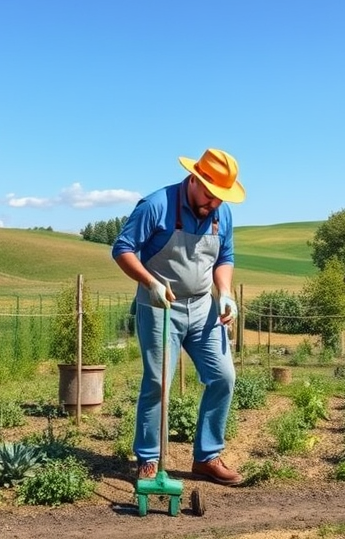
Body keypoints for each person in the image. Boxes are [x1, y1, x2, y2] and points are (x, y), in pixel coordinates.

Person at [111, 148, 245, 487]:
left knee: (223, 377)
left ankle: (207, 457)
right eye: (211, 195)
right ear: (195, 179)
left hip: (203, 308)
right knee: (158, 383)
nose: (215, 203)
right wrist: (150, 282)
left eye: (221, 198)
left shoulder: (221, 214)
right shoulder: (156, 205)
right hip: (160, 307)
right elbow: (122, 248)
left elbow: (224, 257)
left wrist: (225, 293)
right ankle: (148, 460)